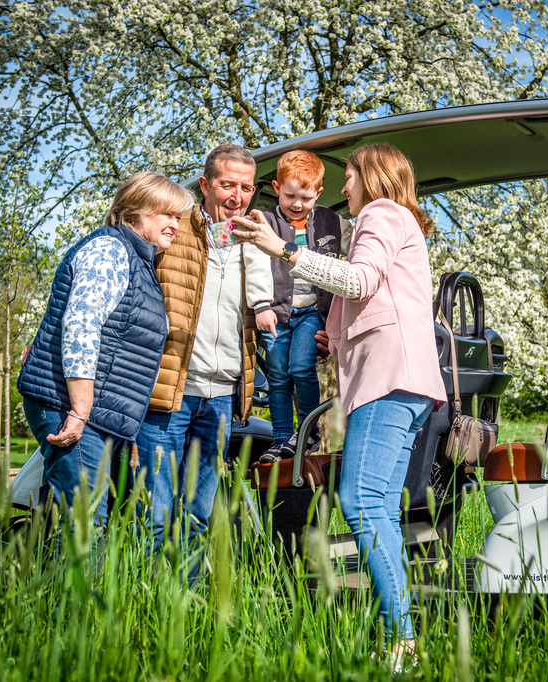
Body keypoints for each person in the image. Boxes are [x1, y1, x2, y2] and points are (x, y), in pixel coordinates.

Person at [236, 143, 445, 668]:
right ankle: (399, 634)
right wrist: (336, 333)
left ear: (369, 177)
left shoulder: (380, 212)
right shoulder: (402, 221)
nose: (344, 187)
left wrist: (282, 249)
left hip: (388, 379)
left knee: (359, 501)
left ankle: (401, 640)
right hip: (411, 382)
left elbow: (359, 281)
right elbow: (379, 296)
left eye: (348, 176)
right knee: (381, 512)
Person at [18, 172, 194, 525]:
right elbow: (82, 324)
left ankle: (54, 579)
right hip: (70, 406)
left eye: (179, 217)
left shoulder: (139, 260)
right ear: (138, 211)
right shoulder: (110, 249)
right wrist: (80, 409)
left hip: (97, 413)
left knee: (86, 520)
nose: (176, 225)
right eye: (168, 215)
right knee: (87, 523)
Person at [136, 143, 276, 552]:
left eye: (246, 188)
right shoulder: (174, 231)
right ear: (205, 185)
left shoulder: (255, 238)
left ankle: (190, 603)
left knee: (198, 515)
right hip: (170, 394)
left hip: (221, 399)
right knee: (156, 513)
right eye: (228, 185)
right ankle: (151, 605)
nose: (237, 196)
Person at [258, 150, 350, 463]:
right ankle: (282, 438)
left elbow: (364, 246)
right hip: (276, 311)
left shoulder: (332, 223)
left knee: (300, 366)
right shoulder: (266, 221)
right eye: (290, 196)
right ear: (276, 187)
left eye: (306, 198)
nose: (298, 204)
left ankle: (308, 431)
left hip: (312, 312)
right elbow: (231, 237)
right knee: (279, 376)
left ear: (319, 194)